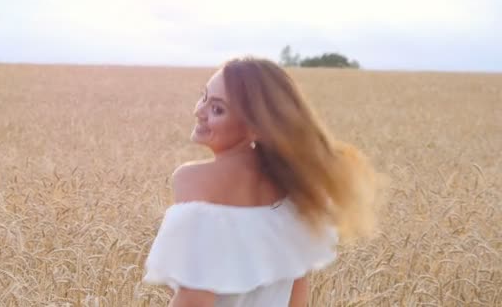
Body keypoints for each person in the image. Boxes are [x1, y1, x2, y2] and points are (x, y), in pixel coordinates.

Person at [143, 56, 380, 306]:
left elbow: (195, 299)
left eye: (217, 109)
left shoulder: (193, 180)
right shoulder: (295, 191)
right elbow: (297, 299)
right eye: (203, 97)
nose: (198, 112)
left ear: (255, 127)